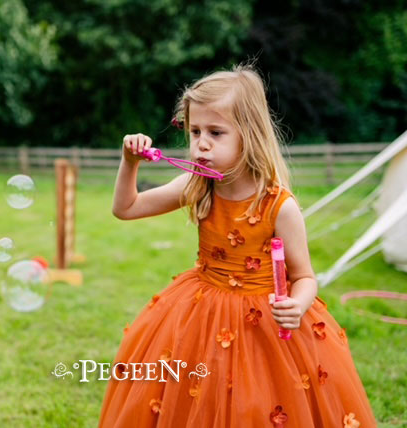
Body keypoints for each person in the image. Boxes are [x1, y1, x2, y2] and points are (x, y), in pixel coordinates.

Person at [99, 63, 376, 427]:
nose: (201, 142)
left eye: (216, 131)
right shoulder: (196, 185)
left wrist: (298, 304)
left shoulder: (279, 206)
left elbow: (305, 275)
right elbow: (126, 208)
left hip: (266, 328)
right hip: (200, 315)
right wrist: (129, 163)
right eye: (195, 130)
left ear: (250, 134)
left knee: (259, 405)